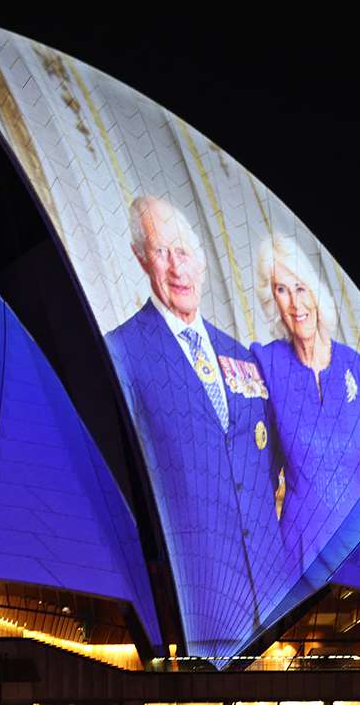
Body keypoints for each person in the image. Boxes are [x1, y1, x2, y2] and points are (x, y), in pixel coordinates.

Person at [105, 197, 287, 654]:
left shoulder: (243, 357)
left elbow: (266, 472)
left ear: (203, 260)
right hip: (194, 613)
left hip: (274, 608)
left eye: (184, 252)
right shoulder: (121, 353)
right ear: (140, 257)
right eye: (162, 252)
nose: (177, 268)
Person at [249, 233, 360, 593]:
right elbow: (264, 474)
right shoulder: (266, 363)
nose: (294, 303)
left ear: (316, 292)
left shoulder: (359, 368)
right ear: (271, 300)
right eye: (281, 290)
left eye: (300, 288)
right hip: (302, 559)